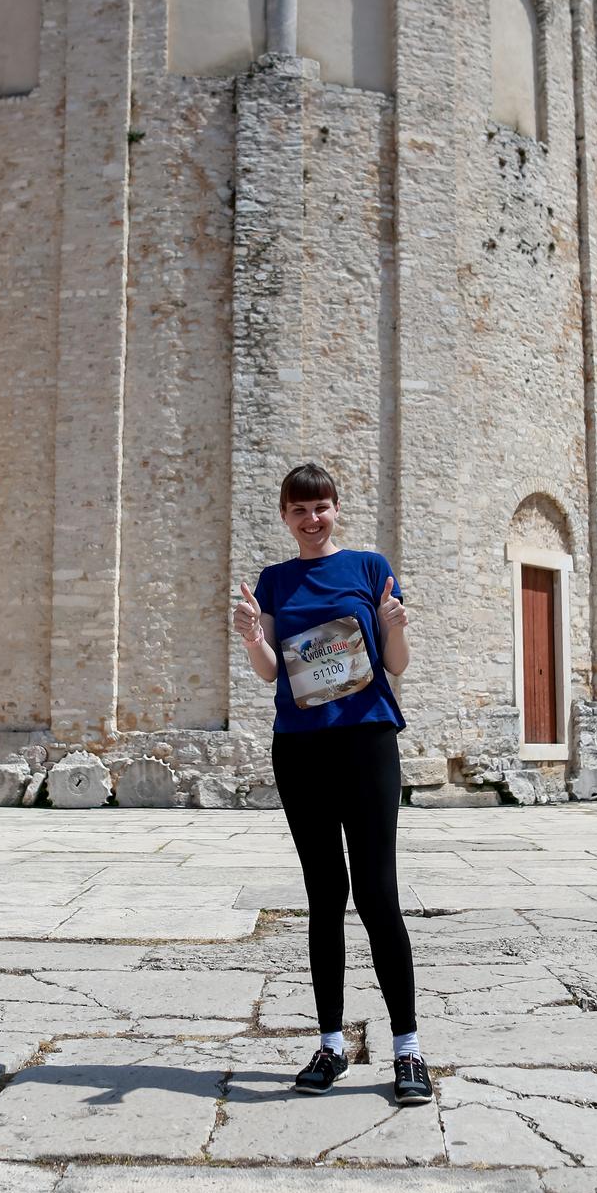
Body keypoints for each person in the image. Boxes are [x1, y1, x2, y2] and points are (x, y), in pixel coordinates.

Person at [232, 461, 432, 1105]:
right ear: (285, 517)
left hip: (366, 741)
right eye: (299, 510)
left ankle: (408, 1050)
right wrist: (251, 637)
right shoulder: (275, 580)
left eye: (320, 507)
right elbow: (271, 672)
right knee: (324, 897)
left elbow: (395, 664)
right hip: (300, 749)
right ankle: (330, 1045)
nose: (311, 519)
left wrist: (394, 625)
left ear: (336, 509)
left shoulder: (370, 569)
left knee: (377, 895)